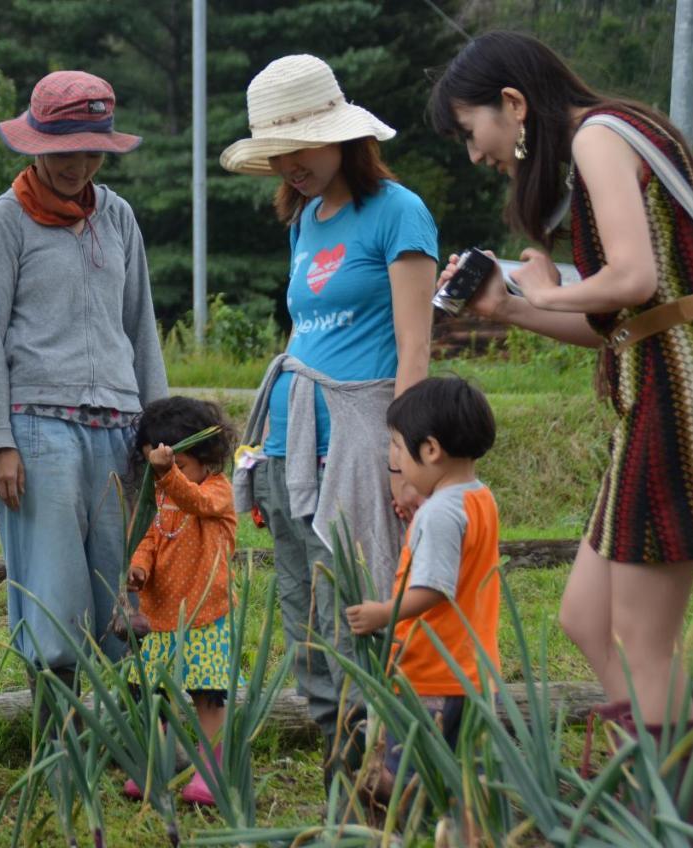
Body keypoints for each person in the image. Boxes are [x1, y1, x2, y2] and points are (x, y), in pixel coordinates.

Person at [429, 31, 693, 735]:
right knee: (585, 618)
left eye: (470, 130)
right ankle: (663, 762)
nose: (475, 152)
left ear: (512, 104)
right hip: (649, 398)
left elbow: (635, 279)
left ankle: (672, 806)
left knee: (642, 642)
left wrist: (546, 292)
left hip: (680, 403)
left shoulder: (598, 139)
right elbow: (625, 321)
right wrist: (513, 305)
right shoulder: (609, 142)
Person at [220, 54, 438, 793]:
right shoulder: (306, 219)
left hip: (361, 437)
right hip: (290, 442)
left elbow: (414, 346)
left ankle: (395, 763)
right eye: (278, 152)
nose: (291, 165)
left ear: (343, 137)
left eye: (302, 145)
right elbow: (302, 337)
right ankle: (347, 767)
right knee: (304, 615)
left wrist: (405, 454)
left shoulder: (400, 212)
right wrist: (258, 452)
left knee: (358, 602)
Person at [0, 70, 169, 689]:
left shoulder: (118, 218)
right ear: (35, 145)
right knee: (53, 591)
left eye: (89, 150)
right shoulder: (4, 223)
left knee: (126, 582)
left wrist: (160, 430)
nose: (75, 164)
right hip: (38, 428)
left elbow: (141, 326)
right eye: (61, 150)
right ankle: (57, 740)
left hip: (120, 426)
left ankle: (126, 737)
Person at [346, 377, 501, 809]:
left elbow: (434, 589)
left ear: (430, 450)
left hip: (430, 674)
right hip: (472, 670)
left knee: (407, 778)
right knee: (466, 775)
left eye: (397, 446)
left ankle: (396, 822)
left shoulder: (438, 515)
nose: (394, 458)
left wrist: (382, 613)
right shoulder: (478, 498)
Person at [120, 397, 237, 807]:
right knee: (152, 692)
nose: (168, 475)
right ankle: (160, 763)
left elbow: (196, 502)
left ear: (206, 458)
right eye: (158, 468)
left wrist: (168, 475)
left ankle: (212, 769)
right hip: (162, 615)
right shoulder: (162, 495)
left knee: (208, 693)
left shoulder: (217, 490)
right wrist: (139, 567)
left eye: (179, 465)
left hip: (206, 614)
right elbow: (151, 539)